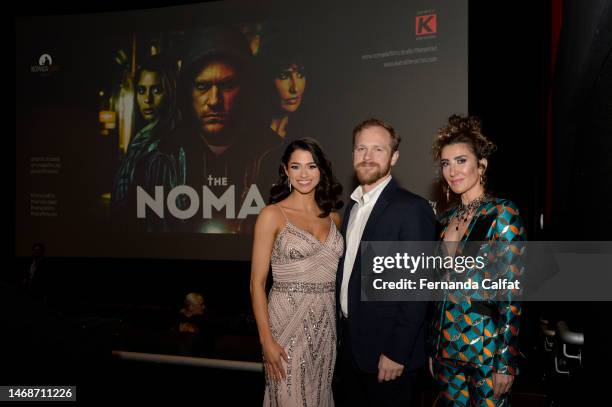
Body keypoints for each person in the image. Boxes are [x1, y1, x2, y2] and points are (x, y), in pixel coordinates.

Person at [335, 118, 436, 406]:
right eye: (361, 148)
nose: (367, 157)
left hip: (388, 358)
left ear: (394, 157)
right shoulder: (352, 207)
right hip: (352, 352)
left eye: (378, 149)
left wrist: (397, 351)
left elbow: (418, 289)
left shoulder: (411, 209)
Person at [140, 26, 280, 233]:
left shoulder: (277, 155)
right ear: (187, 92)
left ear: (246, 88)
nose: (214, 101)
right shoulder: (158, 160)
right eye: (202, 86)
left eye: (227, 85)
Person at [429, 114, 526, 406]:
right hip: (446, 348)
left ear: (481, 165)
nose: (452, 171)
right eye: (446, 163)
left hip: (485, 351)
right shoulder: (444, 219)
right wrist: (433, 348)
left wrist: (505, 362)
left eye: (461, 161)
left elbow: (513, 293)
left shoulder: (502, 214)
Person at [250, 138, 344, 406]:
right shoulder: (272, 215)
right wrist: (266, 340)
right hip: (286, 325)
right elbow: (256, 284)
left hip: (326, 328)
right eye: (296, 166)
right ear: (285, 171)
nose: (304, 174)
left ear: (321, 170)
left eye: (311, 166)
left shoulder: (334, 218)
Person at [111, 54, 178, 219]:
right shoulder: (140, 140)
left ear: (169, 92)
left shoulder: (166, 148)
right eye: (141, 90)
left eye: (157, 90)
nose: (147, 99)